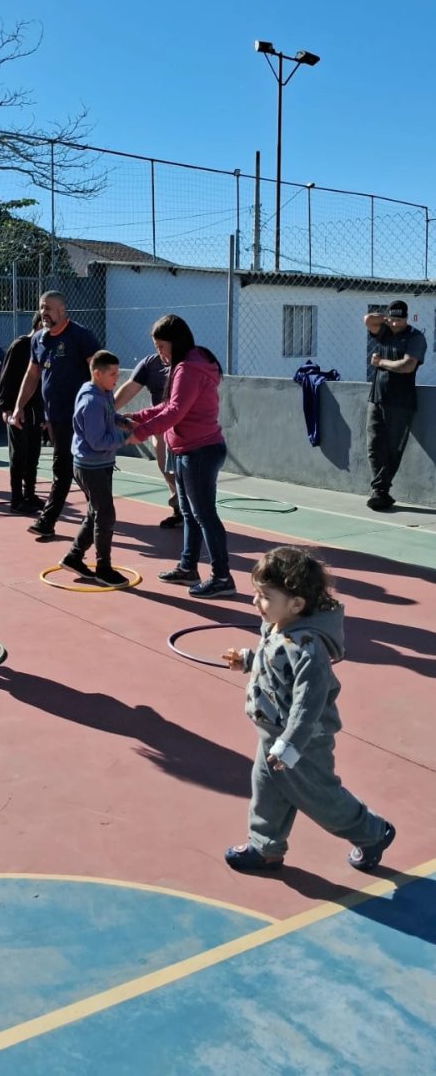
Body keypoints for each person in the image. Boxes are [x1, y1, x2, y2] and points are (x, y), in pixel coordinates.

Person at [222, 546, 395, 874]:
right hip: (273, 734)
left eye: (264, 596)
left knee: (319, 798)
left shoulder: (309, 648)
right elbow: (273, 661)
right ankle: (265, 847)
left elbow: (307, 704)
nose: (255, 602)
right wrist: (247, 660)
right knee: (266, 790)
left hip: (302, 741)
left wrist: (290, 745)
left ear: (297, 604)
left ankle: (373, 832)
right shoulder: (279, 628)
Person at [125, 314, 234, 599]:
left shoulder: (188, 368)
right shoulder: (188, 364)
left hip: (200, 451)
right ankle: (188, 567)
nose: (159, 353)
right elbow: (167, 406)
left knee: (204, 514)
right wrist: (133, 418)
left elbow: (174, 413)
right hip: (187, 449)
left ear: (175, 342)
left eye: (161, 346)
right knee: (189, 513)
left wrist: (139, 433)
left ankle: (222, 577)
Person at [11, 290, 99, 540]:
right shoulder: (38, 339)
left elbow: (99, 372)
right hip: (54, 417)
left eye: (48, 308)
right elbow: (31, 376)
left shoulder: (81, 336)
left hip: (80, 417)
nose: (44, 313)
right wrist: (19, 407)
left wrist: (100, 408)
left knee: (69, 467)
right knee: (67, 467)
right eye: (41, 308)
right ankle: (95, 511)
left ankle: (49, 520)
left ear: (62, 310)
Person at [60, 350, 130, 588]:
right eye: (112, 374)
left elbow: (108, 415)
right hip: (91, 466)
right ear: (97, 374)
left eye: (117, 373)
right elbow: (97, 441)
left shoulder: (104, 392)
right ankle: (103, 568)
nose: (116, 378)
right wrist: (125, 437)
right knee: (105, 514)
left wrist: (121, 420)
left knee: (95, 511)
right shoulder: (91, 400)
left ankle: (74, 556)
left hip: (101, 464)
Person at [363, 300, 427, 510]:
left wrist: (380, 362)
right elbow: (368, 320)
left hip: (401, 401)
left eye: (400, 320)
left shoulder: (415, 337)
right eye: (393, 319)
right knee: (374, 445)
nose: (396, 324)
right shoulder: (385, 331)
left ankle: (380, 491)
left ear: (406, 319)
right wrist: (386, 319)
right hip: (377, 397)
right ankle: (380, 491)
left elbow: (407, 365)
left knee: (392, 449)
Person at [115, 349, 181, 528]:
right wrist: (108, 409)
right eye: (156, 345)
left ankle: (190, 511)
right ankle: (179, 510)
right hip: (158, 424)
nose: (159, 350)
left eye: (162, 344)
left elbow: (174, 406)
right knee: (164, 465)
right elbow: (130, 387)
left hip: (182, 427)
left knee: (184, 473)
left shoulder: (185, 365)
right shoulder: (150, 364)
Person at [0, 313, 45, 513]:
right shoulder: (20, 346)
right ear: (39, 323)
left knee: (33, 454)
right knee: (18, 455)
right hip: (19, 411)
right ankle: (16, 498)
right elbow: (6, 378)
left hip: (37, 411)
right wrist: (7, 409)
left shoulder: (46, 348)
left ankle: (30, 494)